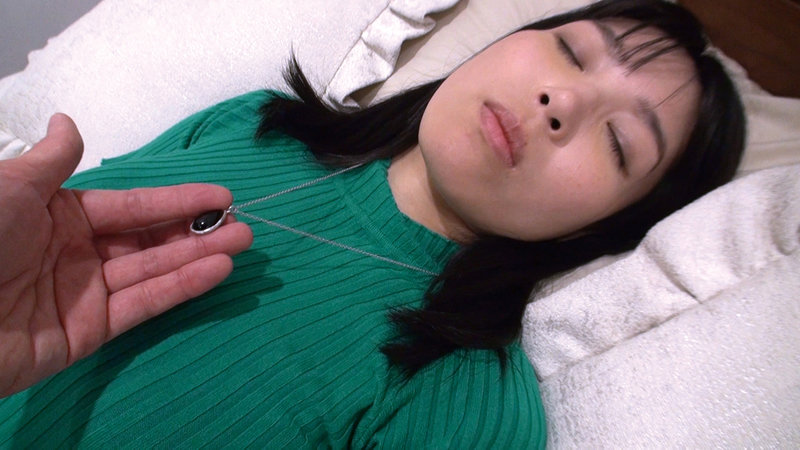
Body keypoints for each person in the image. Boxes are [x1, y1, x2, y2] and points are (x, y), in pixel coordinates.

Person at [0, 0, 744, 447]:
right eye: (570, 50)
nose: (562, 101)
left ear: (602, 230)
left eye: (618, 143)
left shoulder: (462, 404)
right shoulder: (252, 123)